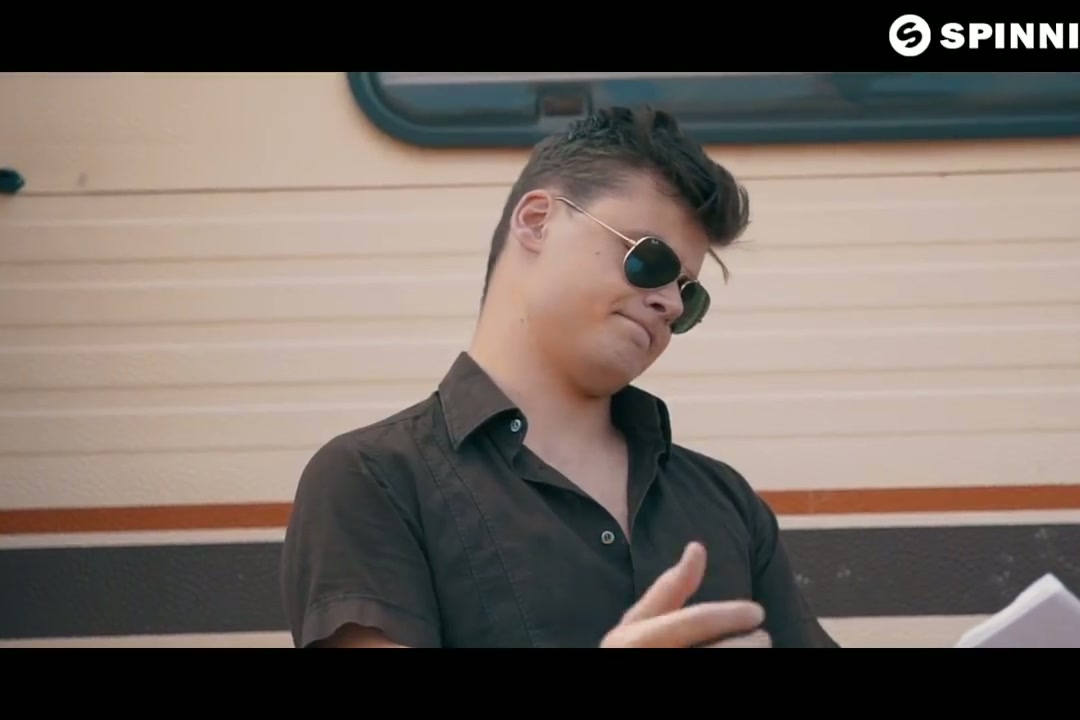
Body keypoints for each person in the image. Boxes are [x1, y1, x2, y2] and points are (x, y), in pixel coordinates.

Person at [279, 105, 839, 648]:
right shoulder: (372, 480)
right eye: (651, 260)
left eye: (689, 296)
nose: (669, 302)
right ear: (536, 221)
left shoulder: (726, 500)